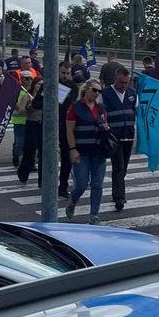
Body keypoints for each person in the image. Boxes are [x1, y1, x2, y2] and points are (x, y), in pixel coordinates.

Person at [65, 79, 110, 224]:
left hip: (99, 152)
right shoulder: (75, 107)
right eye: (94, 90)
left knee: (97, 185)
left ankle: (94, 215)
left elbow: (105, 124)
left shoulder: (101, 108)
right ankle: (73, 202)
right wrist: (72, 149)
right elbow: (69, 130)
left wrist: (106, 128)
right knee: (81, 185)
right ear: (86, 89)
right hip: (81, 152)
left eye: (99, 91)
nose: (97, 93)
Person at [101, 67, 138, 211]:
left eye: (126, 83)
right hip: (114, 137)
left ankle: (116, 190)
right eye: (121, 82)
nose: (123, 85)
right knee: (119, 167)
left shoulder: (132, 94)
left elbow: (136, 111)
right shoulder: (105, 94)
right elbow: (100, 113)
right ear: (115, 80)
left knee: (124, 168)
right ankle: (119, 198)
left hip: (128, 136)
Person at [16, 74, 45, 185]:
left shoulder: (45, 96)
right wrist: (28, 107)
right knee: (29, 151)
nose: (40, 86)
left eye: (42, 85)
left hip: (43, 125)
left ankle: (42, 179)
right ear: (34, 85)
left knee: (43, 152)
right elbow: (20, 111)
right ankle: (23, 173)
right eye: (38, 84)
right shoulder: (28, 96)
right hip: (32, 124)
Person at [56, 61, 77, 198]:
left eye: (68, 73)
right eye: (63, 73)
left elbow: (73, 103)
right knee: (47, 155)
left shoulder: (72, 86)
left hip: (65, 126)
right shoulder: (51, 84)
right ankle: (43, 181)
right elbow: (37, 103)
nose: (65, 76)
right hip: (51, 125)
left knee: (66, 158)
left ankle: (63, 187)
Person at [10, 71, 33, 168]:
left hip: (31, 120)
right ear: (22, 79)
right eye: (27, 79)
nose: (29, 81)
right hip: (19, 121)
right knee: (19, 143)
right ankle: (16, 157)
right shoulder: (17, 91)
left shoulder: (32, 91)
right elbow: (14, 105)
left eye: (30, 79)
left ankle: (27, 161)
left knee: (29, 143)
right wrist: (23, 105)